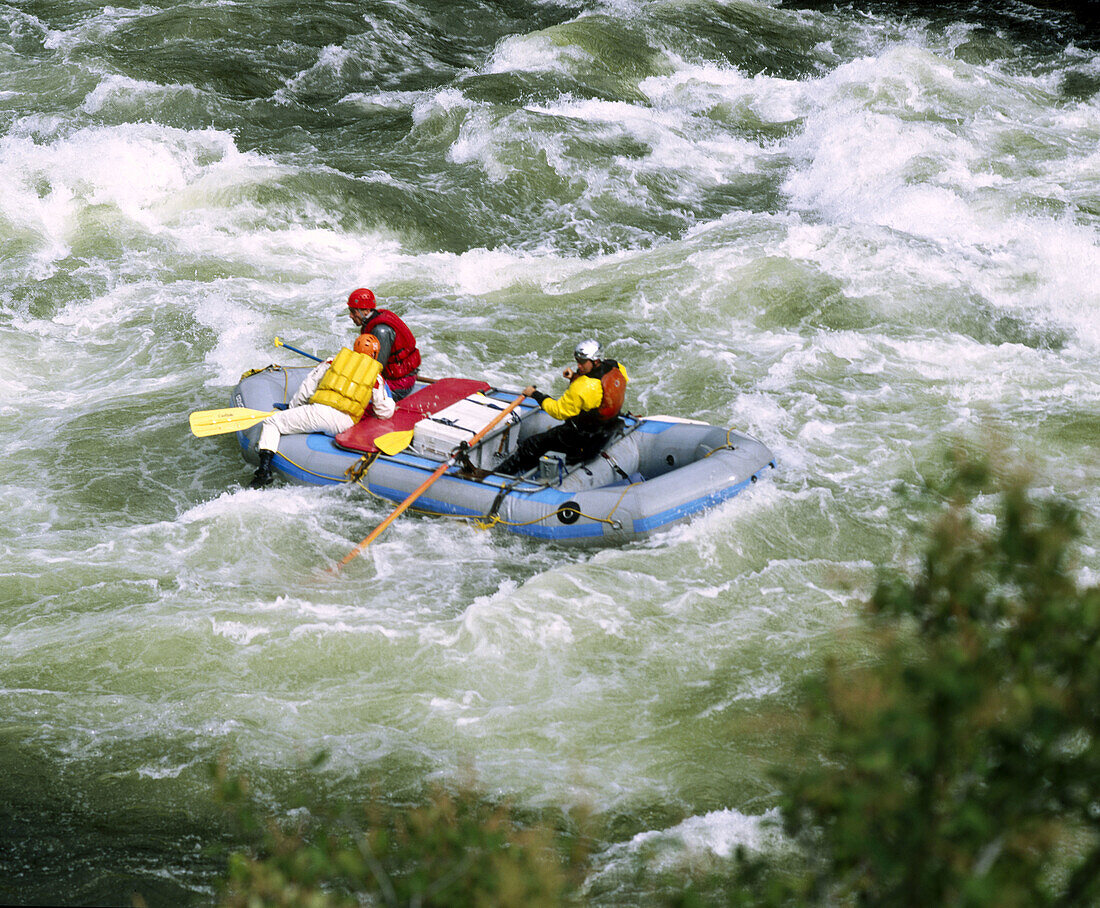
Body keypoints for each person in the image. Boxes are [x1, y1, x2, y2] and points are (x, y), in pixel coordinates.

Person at [250, 334, 395, 489]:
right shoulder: (376, 377)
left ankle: (263, 470)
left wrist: (294, 407)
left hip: (319, 413)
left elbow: (307, 388)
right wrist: (391, 403)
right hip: (345, 424)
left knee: (272, 422)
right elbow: (383, 411)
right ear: (375, 354)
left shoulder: (333, 361)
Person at [494, 338, 628, 476]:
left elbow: (558, 411)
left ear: (595, 360)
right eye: (577, 361)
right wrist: (575, 376)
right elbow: (598, 391)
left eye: (582, 362)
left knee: (530, 445)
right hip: (607, 430)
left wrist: (536, 395)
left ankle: (497, 477)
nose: (579, 366)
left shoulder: (583, 387)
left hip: (583, 440)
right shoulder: (616, 367)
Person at [346, 287, 421, 400]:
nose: (350, 315)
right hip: (395, 378)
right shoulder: (373, 321)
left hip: (399, 384)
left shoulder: (381, 331)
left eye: (353, 311)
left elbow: (375, 370)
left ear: (365, 311)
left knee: (353, 398)